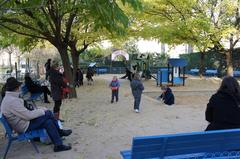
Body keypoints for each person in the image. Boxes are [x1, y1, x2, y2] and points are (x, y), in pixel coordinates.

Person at [0, 77, 72, 152]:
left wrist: (38, 110)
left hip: (22, 123)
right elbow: (28, 116)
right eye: (19, 86)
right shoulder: (12, 101)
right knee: (48, 113)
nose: (20, 88)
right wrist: (41, 111)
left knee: (48, 122)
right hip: (24, 126)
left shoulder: (9, 98)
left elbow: (25, 113)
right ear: (16, 88)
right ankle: (60, 132)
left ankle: (58, 145)